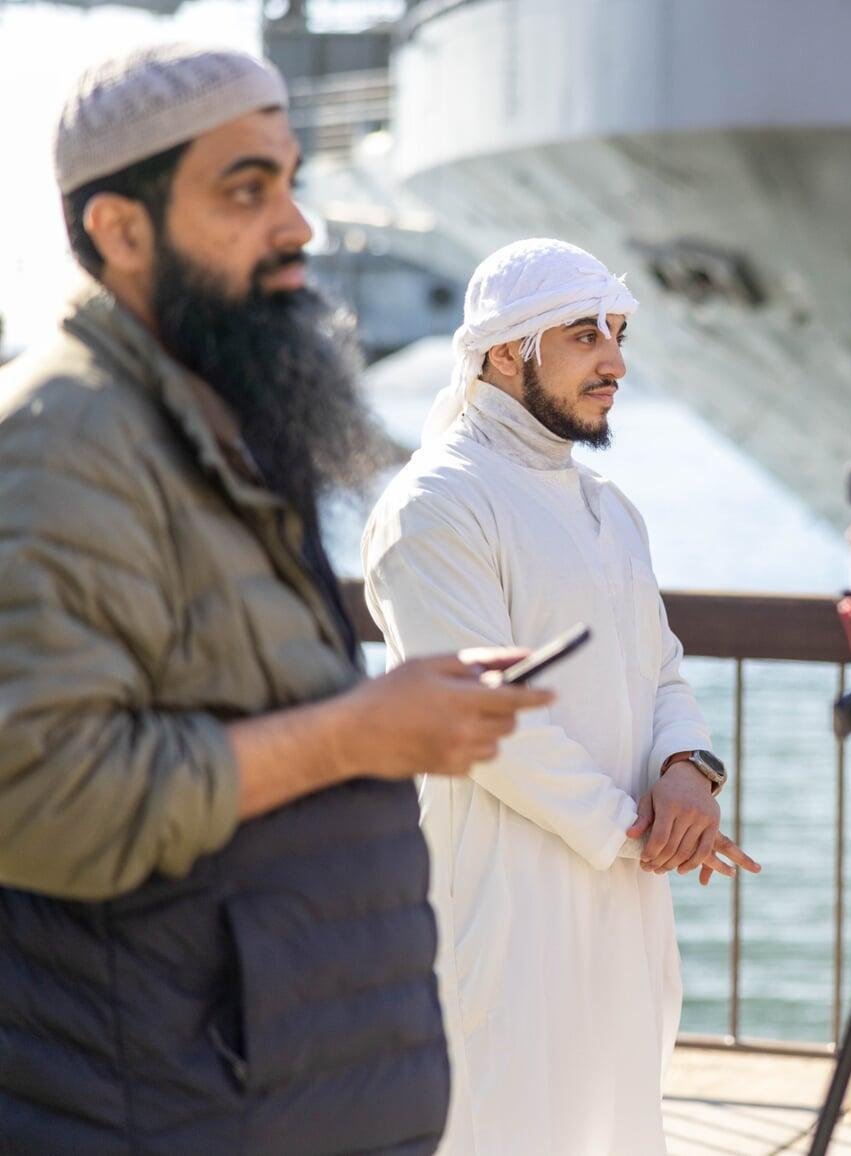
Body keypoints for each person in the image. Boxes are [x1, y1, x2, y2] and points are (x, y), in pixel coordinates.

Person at [0, 44, 551, 1155]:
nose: (298, 226)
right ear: (120, 229)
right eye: (245, 191)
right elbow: (43, 798)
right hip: (168, 1105)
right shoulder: (69, 439)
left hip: (262, 1091)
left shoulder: (198, 410)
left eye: (290, 181)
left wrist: (392, 713)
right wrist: (358, 733)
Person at [362, 237, 760, 1156]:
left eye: (618, 334)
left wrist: (689, 772)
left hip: (624, 893)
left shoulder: (609, 506)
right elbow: (482, 721)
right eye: (585, 335)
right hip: (504, 903)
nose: (615, 361)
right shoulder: (437, 504)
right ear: (507, 352)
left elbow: (661, 669)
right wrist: (638, 831)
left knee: (618, 1126)